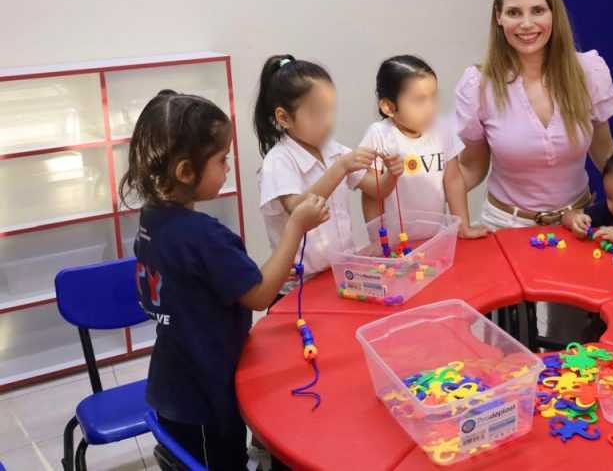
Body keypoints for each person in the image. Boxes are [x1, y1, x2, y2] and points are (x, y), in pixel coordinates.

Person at [127, 90, 329, 469]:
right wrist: (296, 227)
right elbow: (259, 294)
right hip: (204, 396)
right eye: (222, 160)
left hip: (173, 381)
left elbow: (209, 284)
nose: (228, 168)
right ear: (186, 171)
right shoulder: (202, 235)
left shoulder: (152, 219)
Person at [456, 0, 613, 228]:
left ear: (553, 13)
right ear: (499, 17)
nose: (527, 24)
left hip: (579, 222)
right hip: (506, 226)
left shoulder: (589, 72)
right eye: (514, 13)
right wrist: (418, 189)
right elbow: (472, 168)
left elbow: (605, 152)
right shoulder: (478, 85)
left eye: (538, 11)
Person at [254, 55, 384, 282]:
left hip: (340, 274)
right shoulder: (278, 161)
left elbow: (376, 190)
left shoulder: (333, 150)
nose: (327, 121)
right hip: (301, 286)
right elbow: (298, 208)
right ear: (284, 117)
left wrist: (393, 172)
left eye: (330, 110)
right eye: (317, 113)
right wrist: (340, 168)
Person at [356, 55, 486, 238]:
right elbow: (371, 194)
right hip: (396, 243)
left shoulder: (442, 130)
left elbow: (454, 181)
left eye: (434, 97)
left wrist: (463, 225)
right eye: (419, 100)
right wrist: (378, 240)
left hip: (437, 238)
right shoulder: (379, 135)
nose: (430, 107)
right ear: (388, 107)